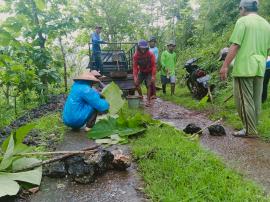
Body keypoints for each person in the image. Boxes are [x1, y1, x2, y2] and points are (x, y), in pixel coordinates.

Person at [219, 0, 270, 137]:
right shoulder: (266, 24)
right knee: (255, 100)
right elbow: (267, 49)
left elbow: (235, 45)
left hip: (245, 67)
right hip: (260, 66)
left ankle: (250, 130)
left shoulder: (243, 21)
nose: (239, 11)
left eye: (239, 9)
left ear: (243, 8)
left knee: (243, 100)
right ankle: (253, 126)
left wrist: (224, 66)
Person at [133, 39, 156, 106]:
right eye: (141, 48)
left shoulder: (150, 54)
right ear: (139, 47)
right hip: (142, 72)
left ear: (146, 48)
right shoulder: (136, 55)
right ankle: (141, 97)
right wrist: (135, 77)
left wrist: (153, 76)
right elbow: (135, 67)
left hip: (149, 71)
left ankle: (148, 101)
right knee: (136, 84)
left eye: (144, 48)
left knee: (149, 85)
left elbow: (154, 66)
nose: (143, 50)